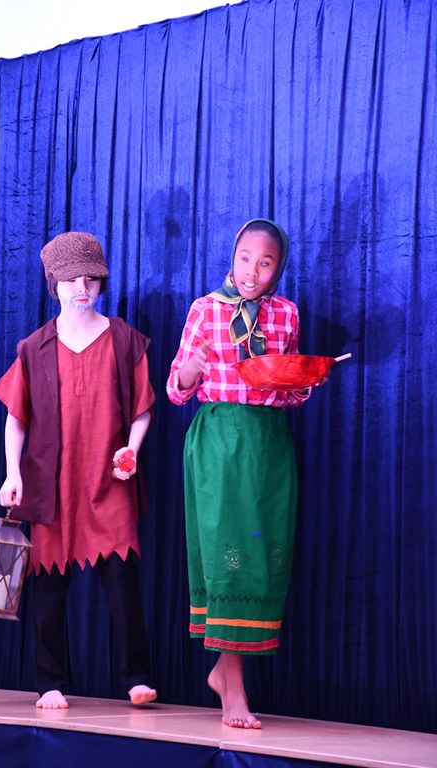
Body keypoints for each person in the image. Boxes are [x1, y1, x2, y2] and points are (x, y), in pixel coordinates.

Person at [167, 218, 325, 729]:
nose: (253, 271)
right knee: (227, 555)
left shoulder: (286, 314)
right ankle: (233, 688)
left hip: (268, 442)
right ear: (232, 258)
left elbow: (289, 390)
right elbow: (176, 389)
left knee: (261, 554)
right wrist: (193, 367)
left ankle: (224, 672)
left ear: (279, 268)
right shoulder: (205, 309)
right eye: (245, 259)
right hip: (219, 442)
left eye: (266, 262)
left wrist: (304, 378)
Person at [0, 231, 157, 710]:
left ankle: (137, 677)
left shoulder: (124, 340)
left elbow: (144, 407)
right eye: (70, 280)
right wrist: (12, 473)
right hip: (54, 484)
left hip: (110, 481)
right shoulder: (34, 348)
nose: (81, 288)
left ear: (101, 282)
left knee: (123, 585)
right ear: (54, 284)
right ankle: (50, 681)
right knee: (48, 589)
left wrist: (131, 449)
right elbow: (16, 417)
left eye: (90, 278)